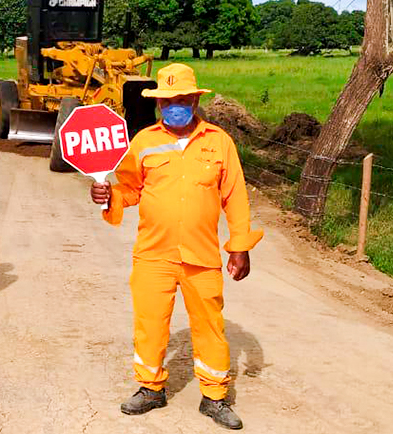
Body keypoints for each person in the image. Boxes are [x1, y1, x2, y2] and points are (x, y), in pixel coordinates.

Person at [90, 63, 263, 430]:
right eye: (167, 101)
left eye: (182, 99)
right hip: (154, 254)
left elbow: (236, 197)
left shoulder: (219, 142)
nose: (175, 106)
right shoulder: (144, 142)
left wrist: (239, 246)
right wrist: (107, 197)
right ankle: (151, 388)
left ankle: (214, 397)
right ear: (157, 105)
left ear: (195, 100)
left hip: (202, 257)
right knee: (149, 324)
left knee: (210, 326)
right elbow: (128, 189)